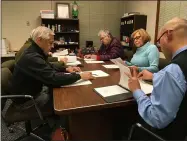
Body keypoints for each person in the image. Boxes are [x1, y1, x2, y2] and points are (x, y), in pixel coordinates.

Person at [126, 17, 187, 140]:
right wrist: (155, 76)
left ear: (168, 34)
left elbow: (156, 119)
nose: (159, 45)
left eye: (159, 41)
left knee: (124, 117)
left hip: (166, 135)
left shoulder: (173, 69)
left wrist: (137, 90)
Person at [9, 26, 94, 109]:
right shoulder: (31, 56)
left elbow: (47, 65)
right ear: (39, 40)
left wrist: (66, 69)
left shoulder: (34, 51)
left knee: (58, 92)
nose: (53, 46)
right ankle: (60, 122)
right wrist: (80, 76)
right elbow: (53, 78)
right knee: (64, 102)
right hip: (28, 100)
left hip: (33, 92)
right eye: (50, 42)